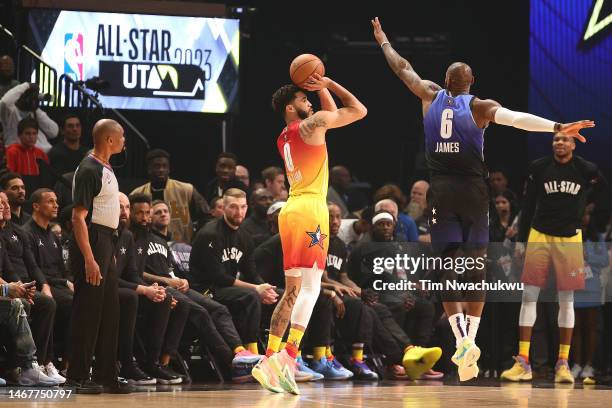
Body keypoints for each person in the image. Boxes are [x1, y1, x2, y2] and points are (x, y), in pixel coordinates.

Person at [372, 16, 595, 381]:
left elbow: (403, 68)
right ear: (471, 82)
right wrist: (557, 126)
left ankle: (461, 339)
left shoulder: (428, 94)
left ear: (445, 81)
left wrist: (383, 41)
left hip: (440, 189)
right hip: (474, 192)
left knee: (446, 268)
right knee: (476, 266)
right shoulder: (481, 106)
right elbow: (519, 119)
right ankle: (470, 338)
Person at [251, 73, 367, 395]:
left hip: (291, 208)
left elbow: (328, 119)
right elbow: (358, 110)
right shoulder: (311, 125)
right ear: (291, 107)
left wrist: (320, 91)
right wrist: (328, 83)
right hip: (311, 210)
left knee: (292, 290)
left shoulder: (284, 135)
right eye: (304, 99)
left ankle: (271, 358)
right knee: (311, 289)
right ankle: (288, 357)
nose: (310, 101)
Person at [501, 134, 606, 384]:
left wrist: (589, 212)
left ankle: (563, 363)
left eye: (565, 140)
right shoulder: (539, 167)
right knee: (529, 296)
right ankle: (523, 361)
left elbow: (604, 191)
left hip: (569, 238)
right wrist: (522, 241)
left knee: (566, 300)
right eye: (556, 139)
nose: (559, 142)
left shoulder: (584, 168)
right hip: (539, 234)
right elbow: (528, 205)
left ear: (573, 145)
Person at [130, 193, 263, 382]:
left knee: (219, 308)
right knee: (201, 312)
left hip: (177, 286)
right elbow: (134, 272)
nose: (145, 217)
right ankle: (232, 364)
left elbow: (169, 270)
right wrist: (168, 282)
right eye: (140, 213)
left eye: (148, 213)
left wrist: (179, 279)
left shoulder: (160, 241)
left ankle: (241, 353)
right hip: (158, 288)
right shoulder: (133, 239)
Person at [65, 119, 129, 394]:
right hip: (91, 240)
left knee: (109, 313)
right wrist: (90, 259)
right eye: (122, 136)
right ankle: (76, 376)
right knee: (88, 312)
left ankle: (107, 375)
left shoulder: (107, 167)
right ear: (109, 140)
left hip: (106, 242)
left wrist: (109, 252)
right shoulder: (89, 168)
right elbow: (78, 218)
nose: (125, 140)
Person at [189, 189, 278, 354]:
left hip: (227, 288)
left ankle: (283, 353)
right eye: (234, 207)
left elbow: (251, 272)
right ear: (223, 207)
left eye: (243, 207)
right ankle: (252, 352)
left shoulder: (244, 236)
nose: (239, 212)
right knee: (251, 296)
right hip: (206, 289)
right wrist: (255, 289)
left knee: (281, 296)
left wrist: (264, 287)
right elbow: (218, 277)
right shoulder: (210, 234)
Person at [115, 193, 186, 385]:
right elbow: (113, 277)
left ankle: (153, 363)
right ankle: (127, 363)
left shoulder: (131, 236)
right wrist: (145, 289)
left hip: (130, 287)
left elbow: (133, 273)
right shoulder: (113, 234)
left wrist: (152, 289)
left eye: (127, 207)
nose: (144, 218)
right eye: (138, 213)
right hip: (111, 290)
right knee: (132, 297)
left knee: (166, 298)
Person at [22, 189, 71, 383]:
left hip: (56, 283)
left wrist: (69, 282)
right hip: (41, 284)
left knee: (83, 300)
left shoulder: (52, 235)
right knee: (66, 301)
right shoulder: (27, 233)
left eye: (56, 201)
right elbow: (33, 268)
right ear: (36, 206)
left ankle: (69, 363)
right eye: (50, 201)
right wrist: (56, 284)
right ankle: (44, 361)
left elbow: (62, 269)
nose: (56, 205)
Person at [131, 149, 211, 243]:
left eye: (164, 166)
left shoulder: (186, 190)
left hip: (183, 249)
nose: (161, 170)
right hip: (147, 248)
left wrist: (196, 240)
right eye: (157, 166)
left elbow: (207, 217)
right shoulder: (137, 194)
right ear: (149, 169)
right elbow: (130, 223)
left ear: (169, 169)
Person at [0, 82, 58, 152]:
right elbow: (4, 102)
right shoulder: (9, 112)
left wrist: (35, 109)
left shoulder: (35, 112)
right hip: (20, 155)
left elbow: (54, 132)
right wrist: (27, 85)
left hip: (44, 154)